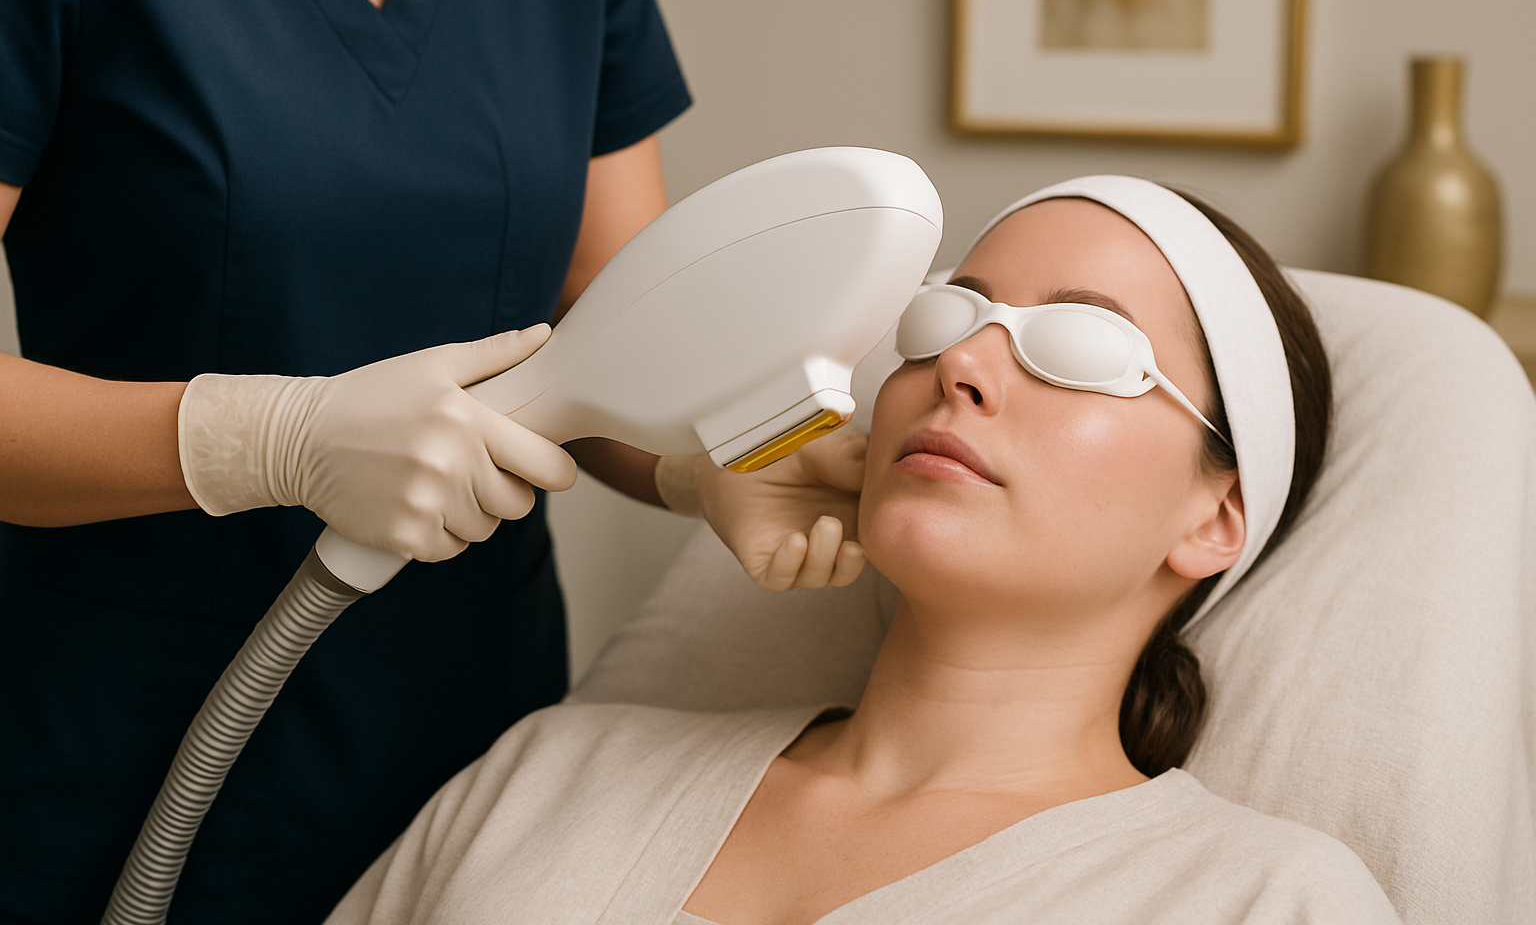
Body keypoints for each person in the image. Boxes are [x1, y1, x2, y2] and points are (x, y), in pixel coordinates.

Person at [0, 0, 862, 921]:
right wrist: (271, 443)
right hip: (133, 714)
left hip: (468, 717)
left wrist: (702, 457)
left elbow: (603, 309)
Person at [322, 177, 1403, 925]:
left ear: (1216, 516)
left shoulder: (1265, 900)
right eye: (944, 317)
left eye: (1082, 344)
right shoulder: (552, 775)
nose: (966, 359)